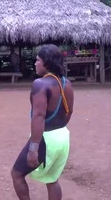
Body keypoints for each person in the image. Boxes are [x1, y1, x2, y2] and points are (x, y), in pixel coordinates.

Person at [11, 44, 74, 200]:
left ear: (47, 63)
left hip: (45, 139)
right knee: (52, 180)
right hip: (62, 136)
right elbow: (69, 111)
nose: (35, 63)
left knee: (17, 174)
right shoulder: (66, 83)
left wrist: (34, 148)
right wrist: (56, 129)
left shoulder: (40, 84)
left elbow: (38, 116)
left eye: (37, 60)